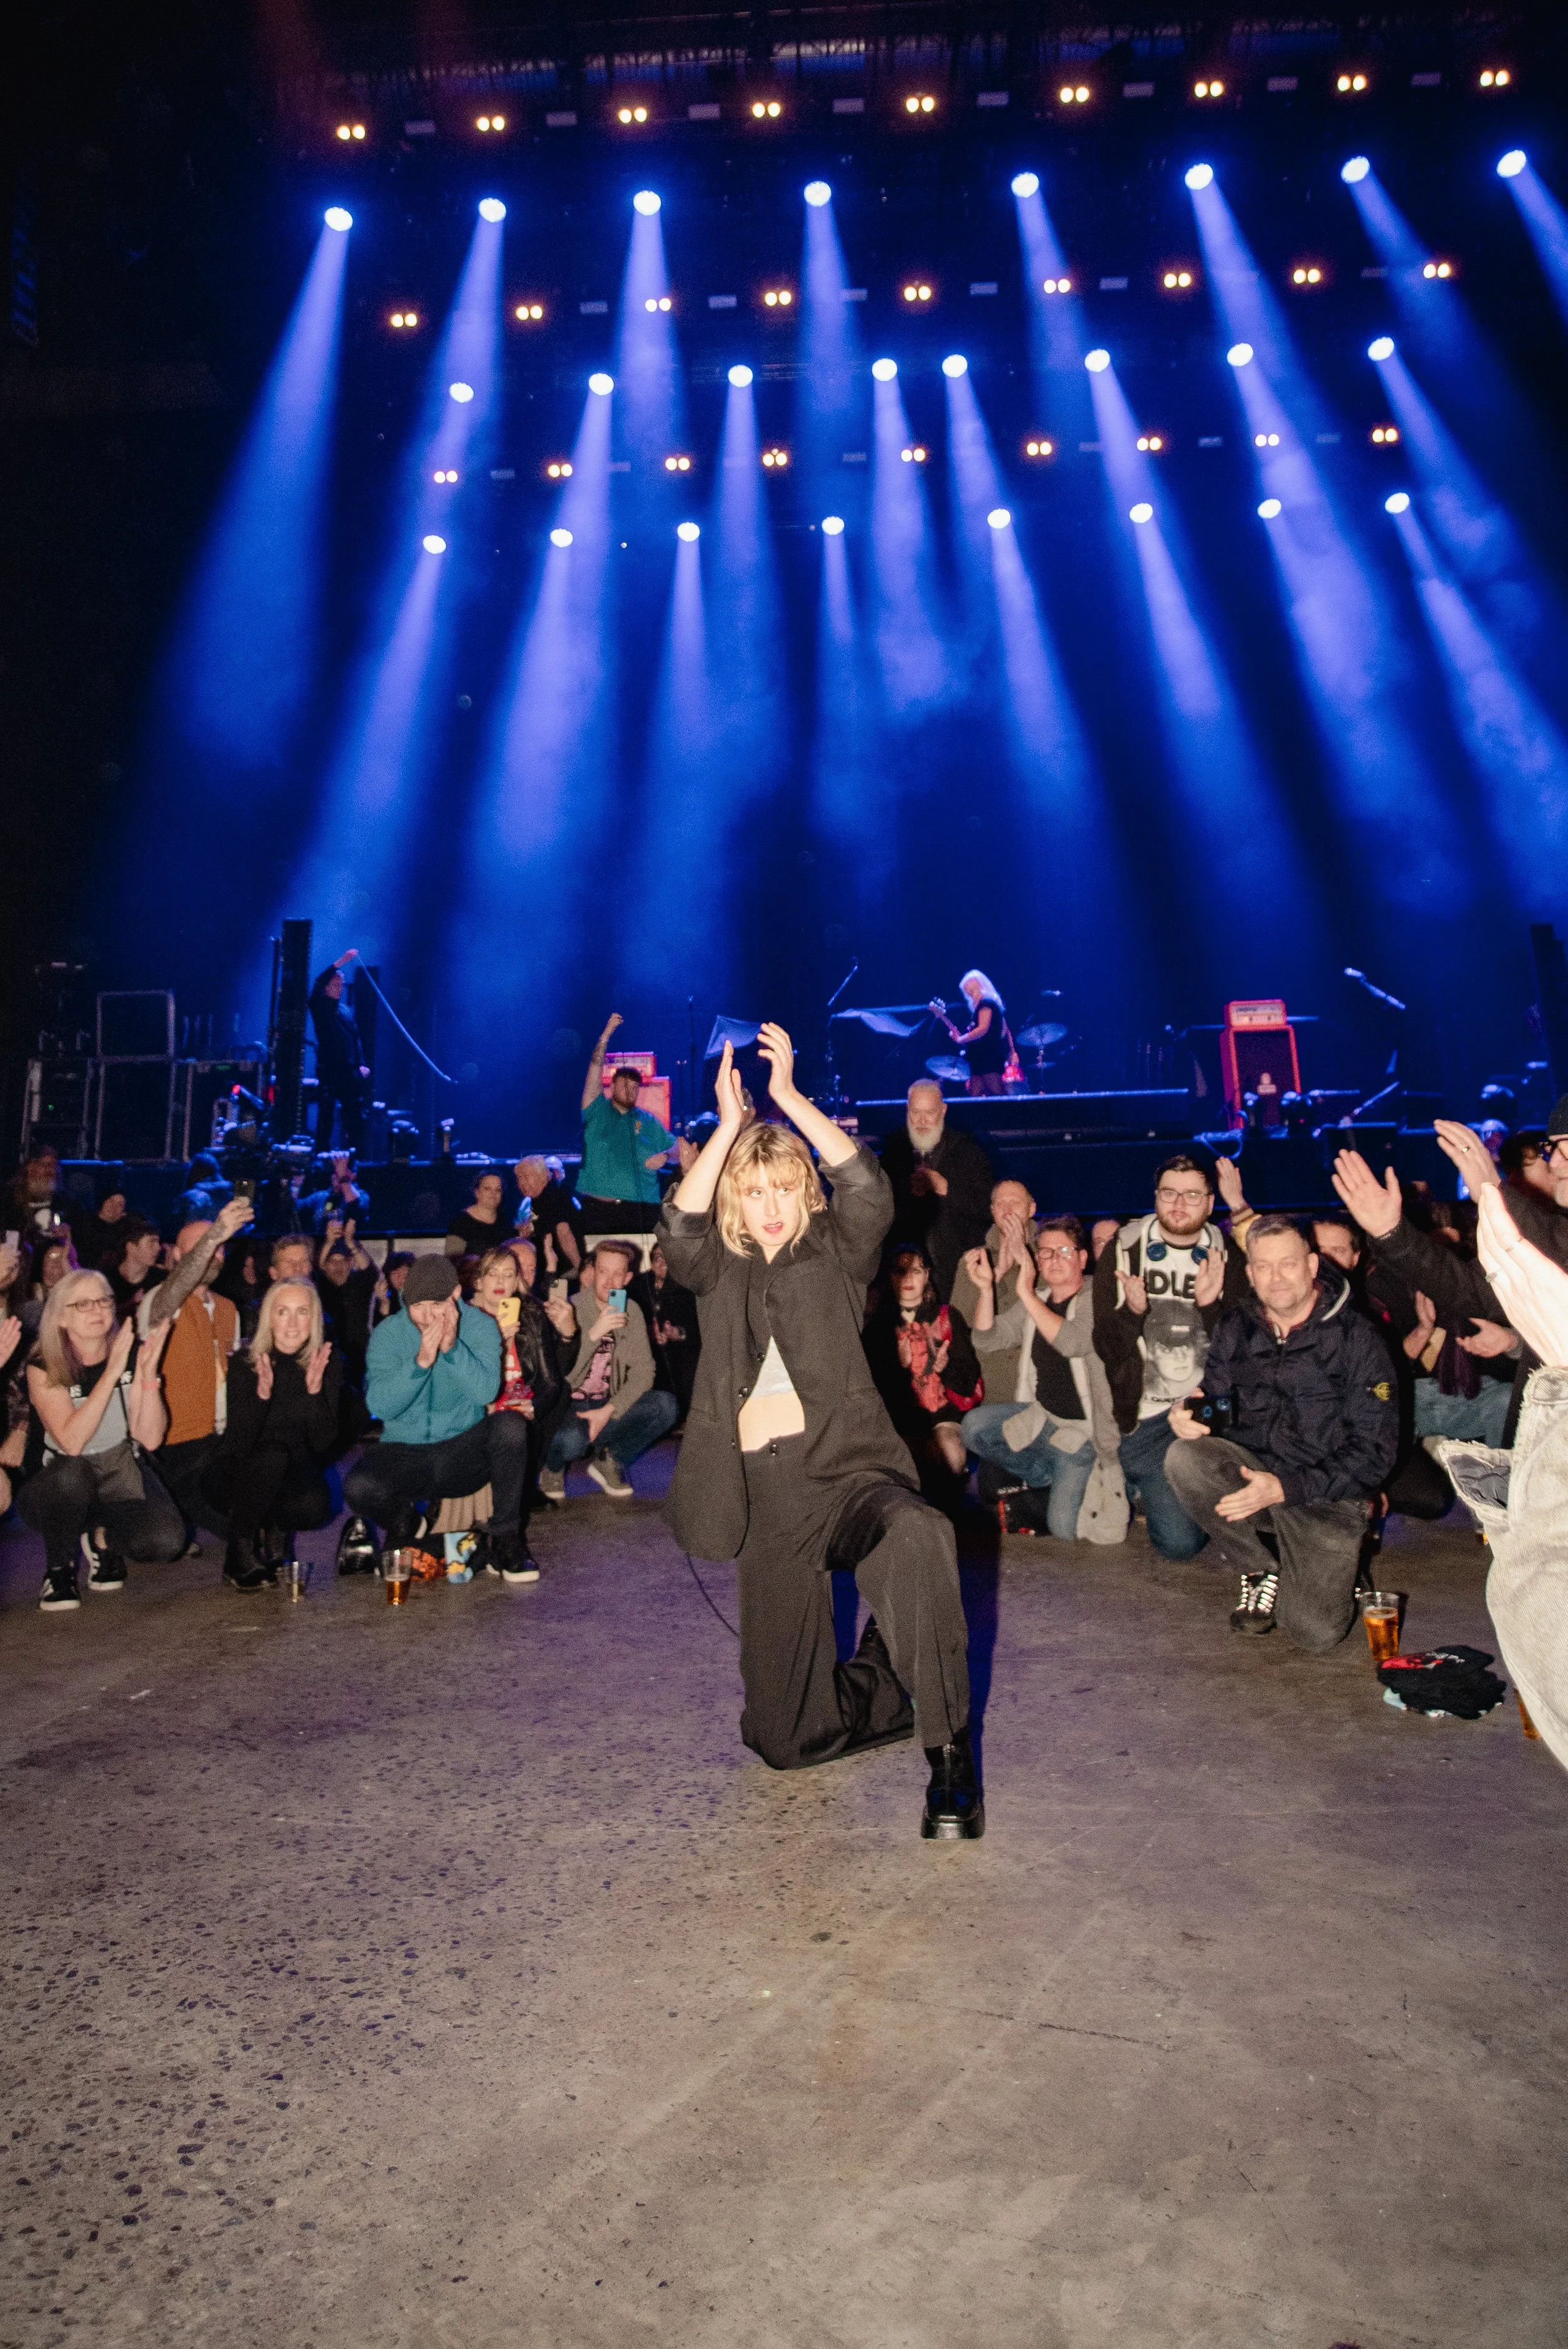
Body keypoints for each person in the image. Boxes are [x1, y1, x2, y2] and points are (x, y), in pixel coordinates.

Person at [659, 1027, 981, 1841]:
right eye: (752, 1192)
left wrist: (792, 1099)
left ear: (805, 1193)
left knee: (919, 1535)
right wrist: (729, 1125)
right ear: (736, 1199)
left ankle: (951, 1760)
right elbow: (680, 1233)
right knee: (783, 1742)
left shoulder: (838, 1250)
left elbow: (869, 1189)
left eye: (782, 1189)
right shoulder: (718, 1269)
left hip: (850, 1478)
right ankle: (889, 1676)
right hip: (768, 1503)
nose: (768, 1208)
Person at [1165, 1216, 1399, 1645]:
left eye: (1288, 1264)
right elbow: (1224, 1404)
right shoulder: (1237, 1324)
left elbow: (1374, 1453)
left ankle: (1345, 1564)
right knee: (1184, 1458)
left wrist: (1285, 1487)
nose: (1276, 1278)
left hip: (1328, 1496)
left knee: (1314, 1634)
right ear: (1250, 1274)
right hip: (1257, 1474)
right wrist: (1193, 1412)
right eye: (1264, 1267)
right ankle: (1257, 1565)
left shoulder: (1358, 1339)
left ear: (1312, 1265)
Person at [1331, 1113, 1559, 1446]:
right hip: (1395, 1400)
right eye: (1553, 1153)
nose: (1559, 1165)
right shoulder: (1378, 1288)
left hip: (1509, 1400)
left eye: (1560, 1153)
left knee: (1499, 1402)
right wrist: (1390, 1234)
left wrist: (1495, 1195)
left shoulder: (1547, 1236)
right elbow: (1469, 1290)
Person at [1092, 1153, 1248, 1560]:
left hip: (1205, 1409)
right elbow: (1107, 1348)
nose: (1179, 1204)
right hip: (1142, 1417)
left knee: (1193, 1534)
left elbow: (1244, 1352)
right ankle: (1146, 1478)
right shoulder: (1125, 1248)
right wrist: (1132, 1312)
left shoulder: (1226, 1253)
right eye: (1169, 1193)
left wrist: (1211, 1307)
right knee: (1179, 1545)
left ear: (1210, 1202)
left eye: (1192, 1194)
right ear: (1156, 1197)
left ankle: (1179, 1483)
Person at [343, 1254, 534, 1581]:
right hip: (405, 1450)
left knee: (511, 1427)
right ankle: (407, 1524)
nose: (427, 1316)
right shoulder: (389, 1334)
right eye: (417, 1306)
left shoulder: (480, 1326)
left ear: (456, 1296)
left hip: (462, 1449)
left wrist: (452, 1351)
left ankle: (507, 1540)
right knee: (358, 1485)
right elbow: (380, 1405)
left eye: (437, 1305)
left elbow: (486, 1392)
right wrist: (419, 1365)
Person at [19, 1270, 179, 1609]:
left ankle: (102, 1538)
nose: (98, 1310)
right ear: (61, 1317)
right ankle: (59, 1569)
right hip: (58, 1488)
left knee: (166, 1541)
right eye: (83, 1304)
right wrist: (111, 1374)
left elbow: (149, 1438)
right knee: (71, 1473)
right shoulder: (43, 1363)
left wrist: (149, 1377)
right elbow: (72, 1442)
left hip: (117, 1473)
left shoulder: (130, 1353)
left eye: (104, 1300)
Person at [961, 1217, 1125, 1540]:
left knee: (1065, 1530)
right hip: (1044, 1419)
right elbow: (988, 1339)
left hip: (1083, 1436)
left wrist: (1026, 1293)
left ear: (1082, 1258)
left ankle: (1086, 1479)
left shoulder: (1099, 1298)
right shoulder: (1040, 1298)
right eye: (1046, 1253)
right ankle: (1044, 1478)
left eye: (1064, 1250)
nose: (1054, 1259)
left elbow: (1073, 1342)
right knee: (975, 1427)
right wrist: (985, 1290)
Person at [201, 1279, 341, 1590]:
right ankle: (239, 1551)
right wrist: (261, 1396)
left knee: (315, 1505)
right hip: (236, 1474)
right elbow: (239, 1443)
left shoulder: (323, 1363)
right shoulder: (247, 1362)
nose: (292, 1323)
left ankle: (276, 1529)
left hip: (289, 1473)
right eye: (283, 1312)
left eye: (302, 1312)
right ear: (269, 1317)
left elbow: (322, 1444)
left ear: (314, 1318)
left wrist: (315, 1392)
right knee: (271, 1456)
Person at [139, 1197, 255, 1535]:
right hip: (177, 1443)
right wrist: (217, 1232)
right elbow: (175, 1292)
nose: (213, 1252)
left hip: (222, 1436)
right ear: (175, 1255)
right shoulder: (159, 1300)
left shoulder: (228, 1308)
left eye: (220, 1248)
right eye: (203, 1247)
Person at [539, 1240, 679, 1499]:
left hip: (608, 1403)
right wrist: (594, 1334)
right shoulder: (570, 1308)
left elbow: (644, 1372)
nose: (610, 1281)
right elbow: (561, 1377)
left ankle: (611, 1461)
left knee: (665, 1406)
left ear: (627, 1278)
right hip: (570, 1406)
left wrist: (609, 1410)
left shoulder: (632, 1312)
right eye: (604, 1271)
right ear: (593, 1272)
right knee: (571, 1441)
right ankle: (553, 1466)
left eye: (618, 1274)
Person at [468, 1246, 567, 1577]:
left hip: (520, 1409)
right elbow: (463, 1389)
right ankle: (500, 1535)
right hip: (476, 1414)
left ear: (517, 1283)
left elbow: (552, 1382)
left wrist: (534, 1405)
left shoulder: (531, 1316)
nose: (501, 1281)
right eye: (493, 1274)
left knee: (521, 1419)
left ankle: (507, 1538)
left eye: (509, 1275)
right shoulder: (463, 1319)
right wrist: (493, 1341)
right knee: (507, 1424)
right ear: (478, 1282)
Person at [862, 1245, 982, 1489]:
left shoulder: (948, 1317)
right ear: (890, 1275)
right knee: (905, 1467)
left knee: (951, 1457)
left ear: (926, 1275)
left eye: (915, 1271)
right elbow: (870, 1390)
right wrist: (900, 1367)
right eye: (900, 1270)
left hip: (943, 1415)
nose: (908, 1278)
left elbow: (970, 1382)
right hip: (901, 1420)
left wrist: (945, 1368)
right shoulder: (879, 1325)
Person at [876, 1081, 995, 1301]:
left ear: (943, 1110)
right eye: (915, 1113)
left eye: (929, 1113)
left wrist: (947, 1189)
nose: (921, 1121)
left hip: (958, 1271)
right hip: (905, 1272)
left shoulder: (969, 1151)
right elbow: (879, 1214)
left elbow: (987, 1209)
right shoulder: (894, 1151)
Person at [578, 1014, 675, 1234]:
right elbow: (594, 1067)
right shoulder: (597, 1110)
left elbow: (678, 1148)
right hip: (600, 1208)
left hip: (642, 1209)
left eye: (635, 1088)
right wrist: (606, 1035)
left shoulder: (649, 1120)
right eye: (624, 1085)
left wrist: (667, 1156)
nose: (630, 1091)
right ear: (611, 1087)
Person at [628, 1238, 701, 1423]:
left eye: (669, 1258)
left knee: (690, 1360)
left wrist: (678, 1333)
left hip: (679, 1349)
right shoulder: (637, 1287)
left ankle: (686, 1417)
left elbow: (699, 1327)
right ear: (652, 1263)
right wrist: (646, 1333)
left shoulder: (689, 1289)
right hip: (643, 1347)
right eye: (659, 1257)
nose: (664, 1262)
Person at [308, 948, 371, 1152]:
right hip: (330, 1069)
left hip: (350, 1070)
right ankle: (322, 1156)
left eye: (341, 984)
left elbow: (356, 1038)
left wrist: (362, 1063)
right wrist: (342, 961)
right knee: (326, 1114)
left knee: (355, 1114)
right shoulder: (319, 1007)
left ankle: (355, 1156)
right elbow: (318, 982)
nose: (339, 987)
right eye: (335, 984)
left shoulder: (346, 1011)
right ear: (327, 988)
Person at [928, 970, 1014, 1098]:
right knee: (974, 1098)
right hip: (979, 1062)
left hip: (988, 1060)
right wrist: (946, 1021)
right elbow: (1001, 1030)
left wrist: (961, 1039)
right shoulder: (982, 1007)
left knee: (998, 1096)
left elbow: (983, 1029)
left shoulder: (986, 1003)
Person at [314, 1221, 376, 1387]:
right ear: (325, 1266)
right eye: (333, 1262)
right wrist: (328, 1243)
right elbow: (315, 1271)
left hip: (358, 1357)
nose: (338, 1266)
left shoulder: (359, 1285)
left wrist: (350, 1241)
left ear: (351, 1263)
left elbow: (370, 1272)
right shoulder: (321, 1288)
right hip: (326, 1357)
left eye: (343, 1261)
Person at [514, 1154, 584, 1274]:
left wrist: (581, 1270)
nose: (521, 1183)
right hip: (552, 1270)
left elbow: (564, 1232)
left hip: (564, 1271)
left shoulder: (556, 1196)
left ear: (544, 1176)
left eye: (526, 1177)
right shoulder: (538, 1199)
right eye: (519, 1178)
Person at [3, 1148, 82, 1245]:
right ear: (30, 1168)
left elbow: (80, 1229)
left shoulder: (65, 1201)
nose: (50, 1169)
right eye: (44, 1164)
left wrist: (68, 1229)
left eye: (54, 1165)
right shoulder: (9, 1196)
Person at [106, 1216, 164, 1317]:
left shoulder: (161, 1280)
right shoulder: (107, 1280)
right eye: (151, 1243)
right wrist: (131, 1304)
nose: (158, 1248)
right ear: (131, 1247)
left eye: (158, 1242)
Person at [300, 1152, 370, 1234]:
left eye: (341, 1170)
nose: (337, 1174)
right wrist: (295, 1186)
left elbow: (355, 1203)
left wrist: (342, 1178)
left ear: (353, 1176)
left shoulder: (363, 1196)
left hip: (349, 1243)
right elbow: (295, 1206)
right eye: (335, 1171)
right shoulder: (321, 1196)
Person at [446, 1169, 508, 1259]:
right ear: (477, 1192)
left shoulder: (505, 1220)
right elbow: (453, 1260)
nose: (493, 1194)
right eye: (488, 1189)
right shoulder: (461, 1223)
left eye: (498, 1190)